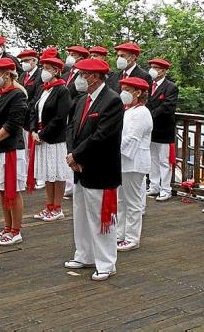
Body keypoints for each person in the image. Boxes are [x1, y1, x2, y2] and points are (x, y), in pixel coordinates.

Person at [63, 58, 123, 281]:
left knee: (101, 219)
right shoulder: (81, 100)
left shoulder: (112, 101)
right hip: (79, 167)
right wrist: (72, 155)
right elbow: (71, 128)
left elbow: (102, 136)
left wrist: (77, 155)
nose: (79, 78)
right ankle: (84, 255)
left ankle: (106, 263)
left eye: (83, 74)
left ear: (96, 77)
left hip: (100, 168)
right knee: (81, 215)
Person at [0, 57, 28, 246]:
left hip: (10, 148)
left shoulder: (18, 94)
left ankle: (16, 230)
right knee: (1, 190)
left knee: (12, 190)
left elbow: (13, 122)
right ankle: (7, 227)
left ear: (7, 74)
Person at [30, 57, 72, 222]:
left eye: (48, 68)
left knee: (57, 173)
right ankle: (49, 205)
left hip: (54, 138)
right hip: (40, 135)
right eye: (43, 67)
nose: (44, 71)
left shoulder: (62, 90)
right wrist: (33, 130)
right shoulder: (42, 89)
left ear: (56, 71)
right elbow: (33, 110)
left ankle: (57, 207)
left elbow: (60, 117)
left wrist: (42, 134)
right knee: (47, 173)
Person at [116, 77, 152, 252]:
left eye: (127, 89)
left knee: (132, 201)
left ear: (138, 93)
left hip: (134, 161)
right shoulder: (128, 110)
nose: (123, 92)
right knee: (121, 199)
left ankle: (132, 237)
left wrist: (112, 148)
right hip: (123, 161)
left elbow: (132, 138)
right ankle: (119, 233)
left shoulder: (142, 112)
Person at [145, 58, 178, 202]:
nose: (153, 69)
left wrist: (148, 116)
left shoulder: (171, 87)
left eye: (156, 67)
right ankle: (154, 186)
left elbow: (167, 107)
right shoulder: (147, 85)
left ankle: (166, 189)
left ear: (163, 71)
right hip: (150, 130)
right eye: (151, 67)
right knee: (152, 159)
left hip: (164, 129)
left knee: (164, 161)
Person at [18, 49, 46, 192]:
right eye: (23, 61)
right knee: (25, 149)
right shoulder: (22, 75)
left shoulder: (40, 75)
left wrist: (25, 107)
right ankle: (28, 175)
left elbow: (38, 96)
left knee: (35, 148)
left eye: (27, 60)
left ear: (35, 61)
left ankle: (39, 176)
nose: (25, 63)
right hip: (23, 118)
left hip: (33, 115)